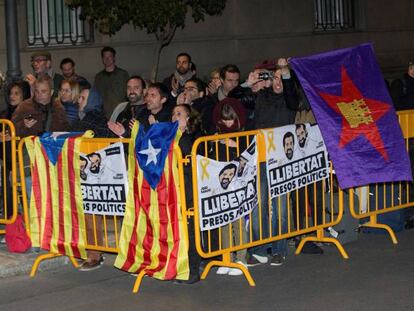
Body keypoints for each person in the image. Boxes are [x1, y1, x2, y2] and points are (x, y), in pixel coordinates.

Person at [246, 58, 300, 267]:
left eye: (282, 78)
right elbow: (236, 100)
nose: (277, 81)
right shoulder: (262, 96)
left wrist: (285, 74)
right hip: (260, 159)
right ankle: (260, 249)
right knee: (258, 204)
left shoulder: (289, 99)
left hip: (281, 161)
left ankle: (279, 249)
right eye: (274, 77)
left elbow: (292, 97)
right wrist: (248, 82)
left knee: (280, 207)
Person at [210, 97, 249, 276]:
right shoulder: (216, 133)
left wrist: (237, 144)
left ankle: (241, 258)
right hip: (222, 184)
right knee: (224, 221)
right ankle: (227, 258)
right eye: (224, 119)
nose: (227, 123)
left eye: (230, 119)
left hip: (239, 184)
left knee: (238, 221)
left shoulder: (245, 132)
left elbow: (253, 151)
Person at [171, 104, 202, 284]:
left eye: (179, 114)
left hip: (189, 188)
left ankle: (192, 269)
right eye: (173, 114)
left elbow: (189, 155)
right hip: (174, 188)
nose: (175, 117)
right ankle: (178, 266)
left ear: (188, 118)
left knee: (190, 229)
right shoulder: (169, 137)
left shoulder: (193, 136)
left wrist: (181, 132)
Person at [0, 81, 31, 221]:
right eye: (11, 93)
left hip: (22, 159)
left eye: (16, 93)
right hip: (5, 159)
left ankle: (28, 221)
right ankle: (10, 220)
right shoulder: (4, 114)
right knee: (7, 185)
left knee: (21, 188)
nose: (12, 96)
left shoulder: (29, 112)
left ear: (24, 95)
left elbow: (29, 134)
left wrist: (13, 136)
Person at [94, 46, 129, 118]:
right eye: (105, 57)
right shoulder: (98, 77)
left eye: (109, 56)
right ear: (102, 59)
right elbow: (96, 96)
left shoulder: (123, 74)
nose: (107, 59)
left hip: (121, 114)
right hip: (103, 116)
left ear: (114, 58)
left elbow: (128, 94)